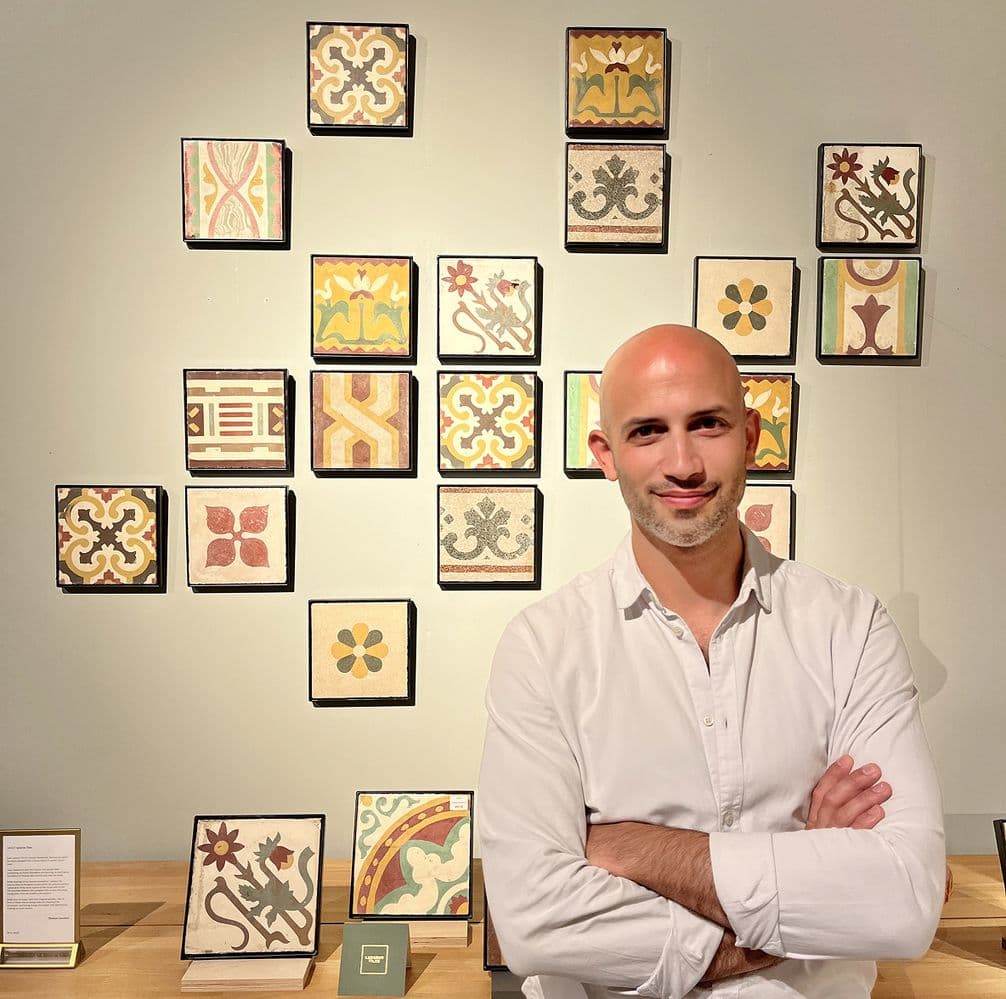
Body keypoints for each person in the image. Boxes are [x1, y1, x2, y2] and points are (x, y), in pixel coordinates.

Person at [478, 325, 945, 998]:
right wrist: (809, 882)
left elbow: (903, 902)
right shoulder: (542, 647)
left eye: (708, 424)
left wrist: (636, 848)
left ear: (751, 435)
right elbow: (533, 922)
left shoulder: (850, 628)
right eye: (647, 432)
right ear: (606, 455)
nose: (683, 463)